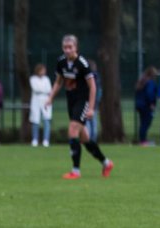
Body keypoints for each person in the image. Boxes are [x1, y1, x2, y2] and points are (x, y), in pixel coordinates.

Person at [46, 34, 114, 179]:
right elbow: (58, 82)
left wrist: (90, 107)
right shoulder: (61, 62)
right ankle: (106, 163)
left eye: (70, 47)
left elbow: (93, 87)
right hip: (71, 102)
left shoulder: (82, 63)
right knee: (85, 139)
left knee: (72, 130)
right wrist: (50, 98)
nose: (67, 50)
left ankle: (75, 171)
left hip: (82, 102)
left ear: (76, 47)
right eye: (65, 47)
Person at [132, 67, 158, 146]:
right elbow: (149, 94)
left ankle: (142, 139)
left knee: (143, 123)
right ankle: (143, 141)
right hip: (146, 106)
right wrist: (152, 104)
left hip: (140, 105)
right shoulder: (150, 82)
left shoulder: (142, 81)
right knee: (146, 123)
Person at [30, 63, 53, 147]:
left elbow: (49, 89)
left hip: (45, 100)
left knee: (46, 119)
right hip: (36, 100)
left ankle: (46, 140)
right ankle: (35, 140)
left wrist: (45, 92)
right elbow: (35, 89)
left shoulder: (46, 79)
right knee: (35, 120)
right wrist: (44, 90)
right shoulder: (33, 79)